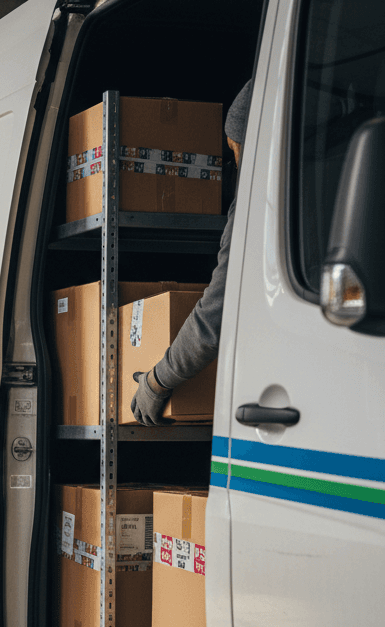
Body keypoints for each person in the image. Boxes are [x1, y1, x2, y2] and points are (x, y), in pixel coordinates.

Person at [132, 80, 253, 426]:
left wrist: (157, 381)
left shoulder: (259, 205)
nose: (236, 162)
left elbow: (217, 312)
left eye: (235, 149)